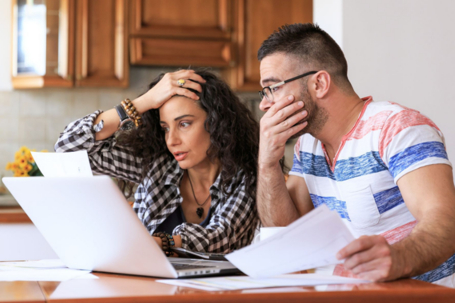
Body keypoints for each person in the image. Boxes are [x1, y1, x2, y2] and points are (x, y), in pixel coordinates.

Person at [256, 23, 455, 286]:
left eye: (274, 88)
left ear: (319, 83)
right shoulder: (309, 146)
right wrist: (267, 163)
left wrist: (398, 258)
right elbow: (290, 237)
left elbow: (446, 220)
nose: (264, 103)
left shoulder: (397, 127)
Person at [55, 69, 259, 255]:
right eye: (165, 128)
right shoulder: (157, 166)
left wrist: (157, 243)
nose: (172, 140)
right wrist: (142, 103)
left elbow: (221, 238)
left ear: (216, 123)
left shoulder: (248, 177)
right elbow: (67, 148)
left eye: (184, 124)